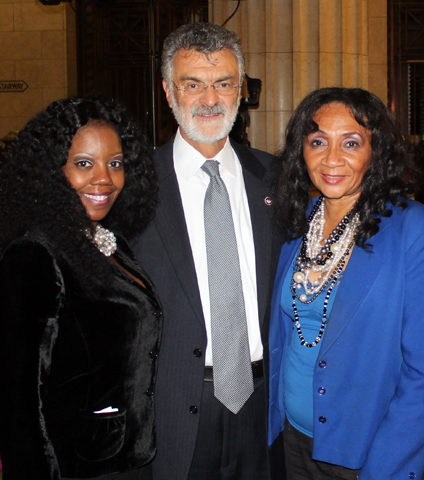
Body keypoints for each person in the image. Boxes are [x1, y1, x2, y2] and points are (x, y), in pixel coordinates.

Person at [268, 87, 424, 480]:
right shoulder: (296, 221)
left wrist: (385, 467)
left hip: (373, 450)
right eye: (318, 141)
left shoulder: (415, 232)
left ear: (377, 151)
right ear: (301, 150)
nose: (332, 158)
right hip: (294, 439)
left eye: (351, 143)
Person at [0, 96, 161, 480]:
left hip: (127, 459)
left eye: (115, 163)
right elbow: (18, 408)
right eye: (83, 164)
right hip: (75, 467)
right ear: (51, 171)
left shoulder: (109, 242)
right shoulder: (31, 257)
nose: (104, 179)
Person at [132, 22, 282, 480]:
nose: (210, 99)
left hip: (263, 406)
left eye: (223, 83)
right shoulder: (133, 186)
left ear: (241, 90)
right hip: (171, 408)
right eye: (192, 84)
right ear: (167, 90)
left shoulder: (277, 179)